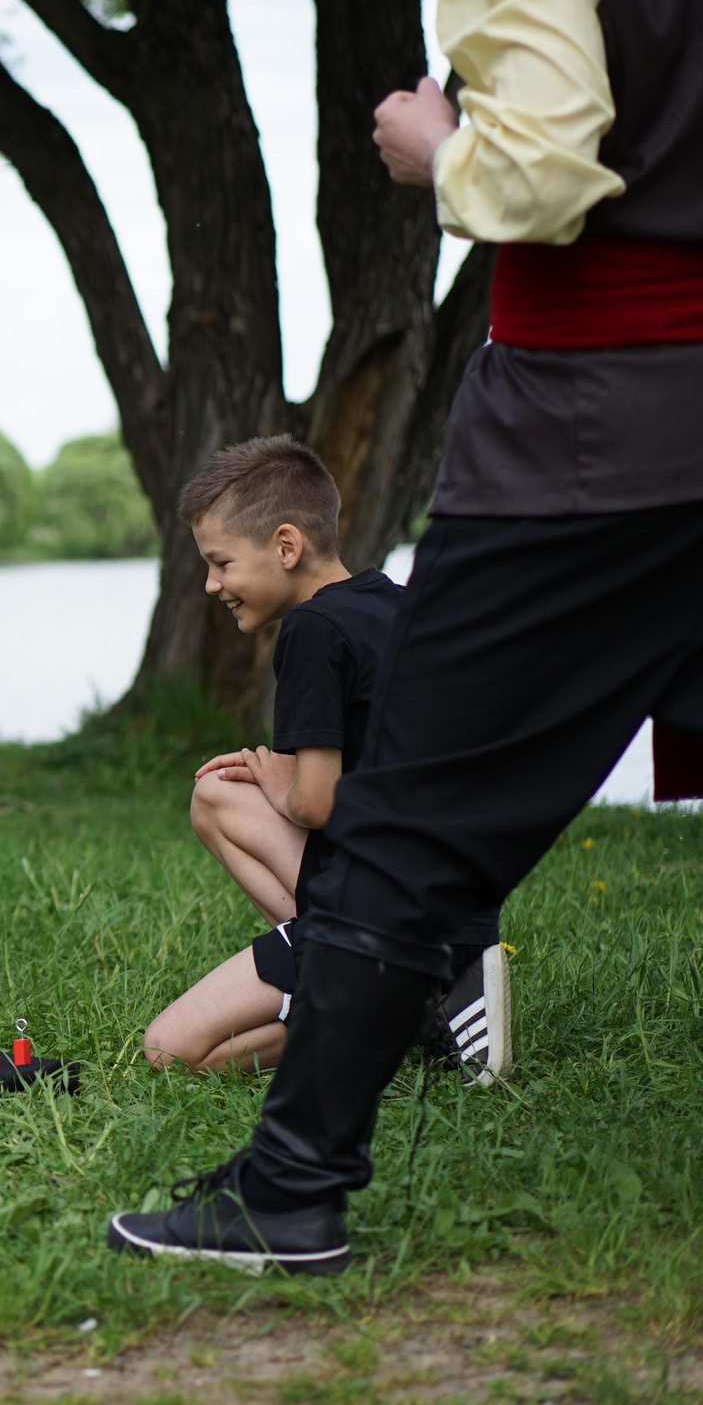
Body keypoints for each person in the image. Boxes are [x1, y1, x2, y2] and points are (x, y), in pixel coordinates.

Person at [109, 0, 703, 1277]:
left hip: (598, 442)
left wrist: (434, 143)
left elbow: (541, 177)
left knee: (412, 817)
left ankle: (292, 1187)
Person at [139, 440, 507, 1077]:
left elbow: (316, 801)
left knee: (170, 1051)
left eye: (221, 563)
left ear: (286, 546)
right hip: (453, 896)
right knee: (216, 796)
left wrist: (280, 782)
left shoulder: (312, 630)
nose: (210, 584)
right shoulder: (396, 607)